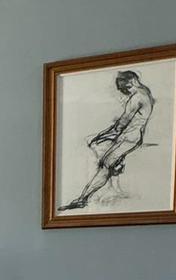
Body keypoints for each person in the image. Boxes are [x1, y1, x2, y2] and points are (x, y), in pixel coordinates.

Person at [60, 69, 154, 211]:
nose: (124, 92)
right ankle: (116, 166)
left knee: (103, 166)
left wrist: (103, 135)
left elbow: (123, 122)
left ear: (133, 81)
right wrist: (105, 135)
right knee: (103, 154)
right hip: (130, 136)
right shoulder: (145, 92)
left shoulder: (137, 97)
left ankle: (82, 199)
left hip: (129, 138)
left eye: (126, 88)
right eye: (122, 89)